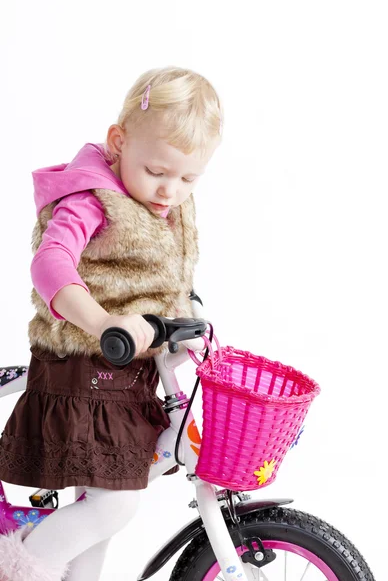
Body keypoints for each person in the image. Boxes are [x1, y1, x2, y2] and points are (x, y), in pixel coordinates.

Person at [0, 66, 223, 581]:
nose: (170, 190)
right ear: (118, 142)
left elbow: (153, 275)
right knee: (115, 503)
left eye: (189, 178)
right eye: (157, 171)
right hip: (85, 371)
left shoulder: (161, 204)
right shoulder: (90, 199)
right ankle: (18, 569)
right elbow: (50, 263)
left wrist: (184, 314)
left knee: (101, 504)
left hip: (126, 373)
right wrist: (102, 321)